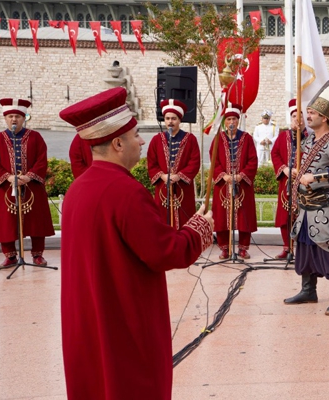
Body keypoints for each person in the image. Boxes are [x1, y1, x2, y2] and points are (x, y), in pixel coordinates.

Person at [58, 87, 214, 400]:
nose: (142, 141)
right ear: (117, 143)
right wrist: (199, 229)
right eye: (134, 136)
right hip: (122, 322)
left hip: (89, 321)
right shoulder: (125, 191)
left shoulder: (78, 188)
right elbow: (165, 251)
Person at [282, 84, 329, 315]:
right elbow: (300, 157)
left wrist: (315, 176)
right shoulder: (308, 141)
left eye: (312, 113)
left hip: (325, 208)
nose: (307, 116)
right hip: (305, 208)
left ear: (324, 117)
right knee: (304, 248)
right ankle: (308, 290)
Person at [0, 98, 55, 267]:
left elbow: (41, 159)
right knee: (7, 222)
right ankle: (10, 256)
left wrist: (29, 176)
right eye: (10, 116)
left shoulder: (36, 137)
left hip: (32, 186)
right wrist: (8, 177)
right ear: (5, 118)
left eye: (17, 116)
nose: (14, 119)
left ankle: (37, 255)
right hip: (6, 187)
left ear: (24, 118)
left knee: (36, 220)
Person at [211, 103, 259, 259]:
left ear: (238, 121)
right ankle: (225, 248)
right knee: (221, 217)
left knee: (244, 217)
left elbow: (253, 160)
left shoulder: (247, 138)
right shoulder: (218, 138)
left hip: (242, 184)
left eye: (234, 119)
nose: (231, 122)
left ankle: (243, 248)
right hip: (223, 185)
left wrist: (241, 175)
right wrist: (223, 175)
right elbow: (213, 161)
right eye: (228, 119)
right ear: (225, 121)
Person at [147, 99, 201, 229]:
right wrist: (162, 176)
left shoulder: (190, 139)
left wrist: (179, 176)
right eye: (167, 118)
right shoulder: (156, 140)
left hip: (183, 188)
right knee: (162, 221)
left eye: (174, 118)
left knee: (185, 221)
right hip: (163, 187)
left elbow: (194, 162)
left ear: (179, 120)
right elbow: (151, 162)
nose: (170, 121)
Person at [271, 99, 302, 260]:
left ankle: (302, 249)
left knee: (302, 217)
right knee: (285, 216)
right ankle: (287, 248)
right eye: (294, 116)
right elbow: (274, 153)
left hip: (304, 184)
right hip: (286, 182)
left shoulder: (310, 137)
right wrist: (284, 169)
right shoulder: (283, 136)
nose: (297, 119)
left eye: (300, 116)